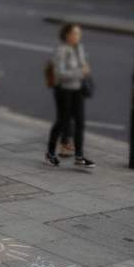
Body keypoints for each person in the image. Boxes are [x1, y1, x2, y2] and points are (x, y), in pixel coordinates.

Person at [46, 23, 94, 168]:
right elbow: (59, 73)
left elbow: (82, 64)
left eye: (78, 34)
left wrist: (85, 68)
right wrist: (79, 73)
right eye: (73, 34)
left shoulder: (79, 48)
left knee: (80, 122)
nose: (76, 37)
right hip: (64, 90)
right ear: (66, 35)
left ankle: (79, 156)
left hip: (77, 89)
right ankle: (50, 153)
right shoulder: (61, 50)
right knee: (62, 121)